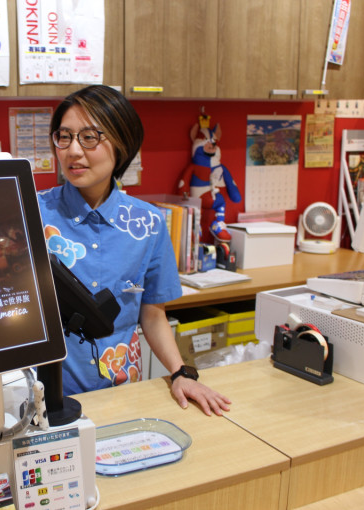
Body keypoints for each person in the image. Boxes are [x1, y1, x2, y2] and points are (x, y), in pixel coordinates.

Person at [37, 85, 231, 416]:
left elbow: (153, 314)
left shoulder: (148, 223)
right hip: (47, 397)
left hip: (123, 388)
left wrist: (180, 373)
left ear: (121, 144)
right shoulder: (31, 212)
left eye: (89, 137)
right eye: (64, 136)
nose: (72, 151)